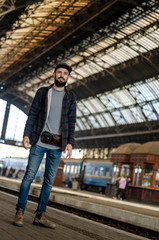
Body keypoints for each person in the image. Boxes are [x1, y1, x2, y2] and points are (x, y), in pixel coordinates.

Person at [13, 63, 76, 229]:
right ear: (54, 74)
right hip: (39, 142)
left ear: (68, 77)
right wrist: (26, 134)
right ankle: (20, 211)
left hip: (57, 146)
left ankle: (40, 215)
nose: (62, 75)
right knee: (29, 176)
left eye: (65, 73)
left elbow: (71, 121)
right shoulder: (42, 92)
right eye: (60, 72)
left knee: (48, 182)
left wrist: (70, 142)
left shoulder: (70, 97)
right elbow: (32, 114)